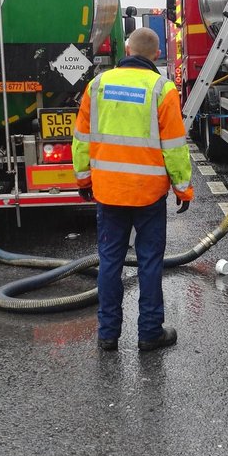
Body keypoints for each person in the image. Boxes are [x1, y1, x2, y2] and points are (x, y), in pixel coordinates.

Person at [72, 27, 194, 352]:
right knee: (149, 262)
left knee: (109, 261)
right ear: (155, 55)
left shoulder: (97, 85)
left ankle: (107, 334)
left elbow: (81, 141)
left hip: (109, 192)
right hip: (149, 193)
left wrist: (84, 180)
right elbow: (175, 147)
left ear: (127, 48)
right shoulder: (162, 89)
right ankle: (149, 333)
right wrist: (183, 189)